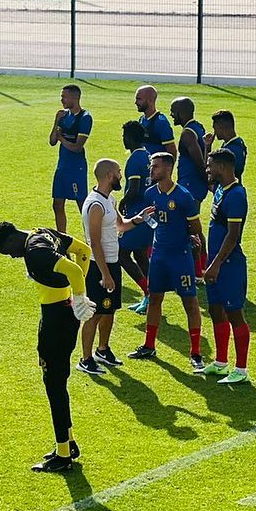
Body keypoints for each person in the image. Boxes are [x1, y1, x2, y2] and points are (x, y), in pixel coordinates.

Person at [0, 221, 96, 473]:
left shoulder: (35, 251)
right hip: (64, 313)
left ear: (11, 240)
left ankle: (62, 455)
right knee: (59, 381)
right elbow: (83, 252)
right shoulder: (41, 231)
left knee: (54, 384)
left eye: (8, 252)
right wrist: (74, 297)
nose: (14, 257)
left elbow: (74, 270)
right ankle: (67, 443)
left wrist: (80, 297)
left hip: (55, 320)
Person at [128, 152, 205, 370]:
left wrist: (188, 238)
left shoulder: (183, 197)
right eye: (151, 166)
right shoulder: (151, 193)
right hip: (159, 255)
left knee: (189, 301)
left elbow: (196, 228)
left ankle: (196, 352)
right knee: (154, 299)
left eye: (156, 167)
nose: (151, 170)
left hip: (180, 256)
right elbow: (150, 218)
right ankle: (149, 345)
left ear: (168, 169)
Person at [77, 158, 147, 375]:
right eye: (118, 172)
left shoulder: (110, 200)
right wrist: (106, 274)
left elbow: (120, 225)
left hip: (112, 263)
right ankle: (86, 359)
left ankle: (103, 349)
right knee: (96, 312)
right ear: (109, 176)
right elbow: (94, 242)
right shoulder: (95, 205)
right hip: (99, 266)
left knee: (109, 310)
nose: (121, 176)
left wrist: (139, 219)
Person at [202, 150, 251, 384]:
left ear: (222, 167)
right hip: (216, 263)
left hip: (229, 265)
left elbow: (233, 236)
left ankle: (241, 370)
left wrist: (216, 264)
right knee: (215, 310)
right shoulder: (221, 189)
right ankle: (221, 363)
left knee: (234, 314)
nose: (208, 170)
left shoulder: (237, 195)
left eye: (210, 166)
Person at [171, 96, 209, 278]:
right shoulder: (199, 127)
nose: (171, 114)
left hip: (190, 187)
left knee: (190, 228)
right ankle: (201, 268)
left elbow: (199, 161)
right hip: (195, 186)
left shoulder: (188, 133)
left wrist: (208, 181)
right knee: (193, 228)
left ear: (181, 111)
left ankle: (198, 270)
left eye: (173, 110)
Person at [119, 121, 154, 314]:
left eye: (124, 136)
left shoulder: (134, 159)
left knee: (121, 254)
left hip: (137, 214)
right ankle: (150, 296)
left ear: (131, 137)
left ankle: (149, 292)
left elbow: (134, 189)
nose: (123, 140)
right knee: (140, 254)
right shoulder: (148, 155)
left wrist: (122, 203)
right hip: (148, 213)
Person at [49, 84, 92, 234]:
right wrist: (56, 122)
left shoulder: (85, 118)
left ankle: (91, 238)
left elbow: (77, 147)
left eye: (64, 97)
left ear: (75, 97)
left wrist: (61, 138)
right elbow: (52, 141)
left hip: (76, 168)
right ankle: (63, 238)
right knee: (57, 204)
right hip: (62, 167)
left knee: (82, 204)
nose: (62, 100)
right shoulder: (63, 116)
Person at [134, 85, 178, 158]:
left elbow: (171, 150)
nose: (135, 102)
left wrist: (167, 168)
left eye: (139, 99)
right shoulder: (142, 119)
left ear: (150, 101)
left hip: (157, 167)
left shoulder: (161, 122)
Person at [204, 109, 247, 181]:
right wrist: (208, 146)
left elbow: (212, 172)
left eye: (215, 128)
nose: (214, 132)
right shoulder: (237, 142)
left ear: (220, 126)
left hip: (228, 190)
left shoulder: (232, 149)